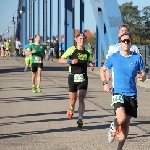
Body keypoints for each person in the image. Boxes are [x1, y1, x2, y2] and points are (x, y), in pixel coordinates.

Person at [100, 33, 146, 150]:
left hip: (132, 94)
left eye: (128, 41)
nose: (126, 43)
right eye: (123, 41)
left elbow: (143, 72)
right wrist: (105, 83)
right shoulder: (114, 57)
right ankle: (113, 125)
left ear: (130, 42)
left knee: (126, 123)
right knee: (121, 119)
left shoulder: (137, 57)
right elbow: (103, 69)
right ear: (120, 43)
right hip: (118, 92)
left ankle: (119, 148)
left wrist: (143, 77)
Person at [59, 33, 94, 128]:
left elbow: (89, 60)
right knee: (73, 100)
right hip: (73, 76)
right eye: (80, 38)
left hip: (83, 77)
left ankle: (80, 118)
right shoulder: (71, 49)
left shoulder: (87, 51)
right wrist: (70, 61)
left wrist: (90, 64)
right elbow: (61, 60)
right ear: (76, 40)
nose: (82, 40)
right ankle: (71, 108)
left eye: (83, 38)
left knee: (81, 98)